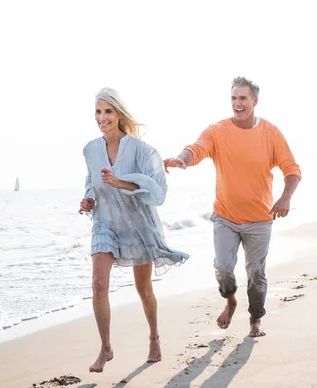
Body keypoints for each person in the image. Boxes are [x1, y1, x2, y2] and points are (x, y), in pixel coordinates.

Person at [163, 77, 302, 337]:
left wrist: (285, 197)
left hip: (260, 218)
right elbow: (197, 148)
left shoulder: (271, 133)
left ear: (254, 102)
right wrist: (182, 159)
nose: (237, 104)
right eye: (234, 98)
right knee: (224, 267)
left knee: (256, 273)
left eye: (243, 98)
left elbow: (292, 169)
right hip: (225, 216)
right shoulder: (217, 130)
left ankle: (255, 319)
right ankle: (230, 300)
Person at [79, 87, 189, 373]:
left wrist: (120, 183)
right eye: (98, 112)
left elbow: (156, 190)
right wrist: (88, 198)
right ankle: (106, 347)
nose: (102, 117)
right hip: (104, 222)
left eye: (108, 111)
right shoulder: (90, 149)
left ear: (119, 114)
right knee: (98, 283)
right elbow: (91, 182)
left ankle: (154, 337)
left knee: (143, 288)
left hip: (137, 224)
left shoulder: (141, 150)